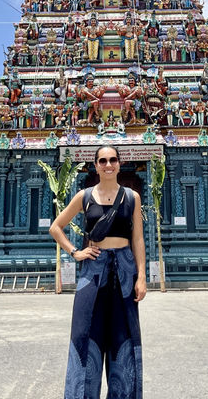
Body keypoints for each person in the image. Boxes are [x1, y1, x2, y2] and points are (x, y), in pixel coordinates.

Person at [49, 146, 146, 399]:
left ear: (119, 163)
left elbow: (137, 239)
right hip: (93, 268)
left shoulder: (132, 197)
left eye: (113, 160)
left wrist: (142, 276)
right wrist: (74, 252)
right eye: (102, 160)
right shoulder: (84, 196)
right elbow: (56, 227)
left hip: (124, 270)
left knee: (123, 337)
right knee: (85, 335)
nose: (108, 164)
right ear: (96, 165)